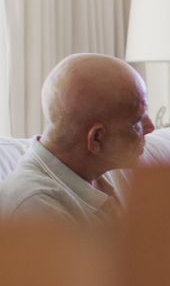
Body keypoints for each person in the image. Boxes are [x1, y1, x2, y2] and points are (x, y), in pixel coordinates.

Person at [0, 53, 154, 221]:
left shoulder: (96, 171)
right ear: (96, 139)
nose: (150, 127)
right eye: (136, 122)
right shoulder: (35, 208)